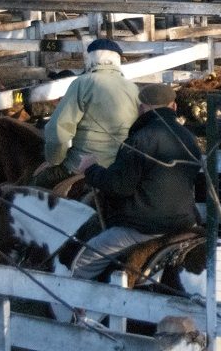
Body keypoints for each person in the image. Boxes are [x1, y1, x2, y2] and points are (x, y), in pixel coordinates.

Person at [70, 83, 202, 282]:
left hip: (145, 228)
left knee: (83, 264)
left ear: (141, 108)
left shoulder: (141, 139)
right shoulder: (190, 139)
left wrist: (91, 169)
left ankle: (81, 313)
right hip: (185, 222)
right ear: (173, 107)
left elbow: (120, 186)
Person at [33, 39, 140, 189]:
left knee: (36, 186)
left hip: (83, 164)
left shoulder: (82, 83)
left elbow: (59, 129)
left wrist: (54, 160)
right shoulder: (133, 88)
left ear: (90, 58)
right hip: (122, 165)